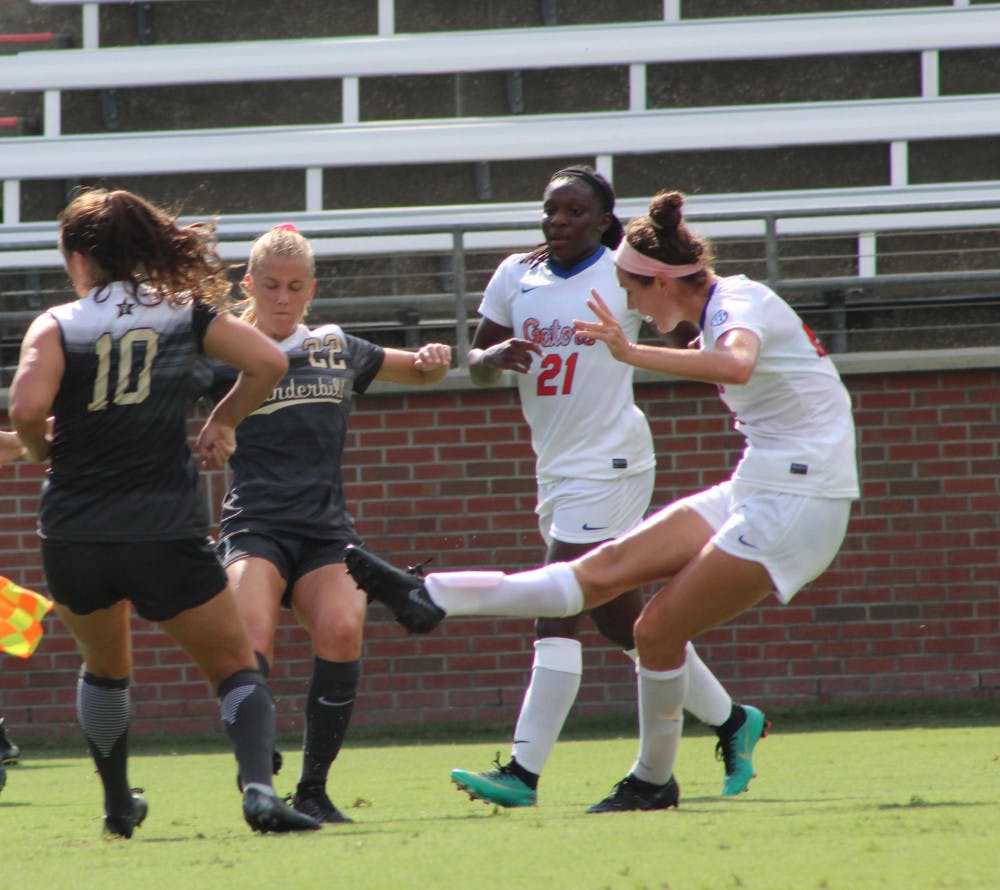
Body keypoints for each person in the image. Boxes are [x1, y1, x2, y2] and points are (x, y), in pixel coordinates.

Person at [344, 189, 859, 812]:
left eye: (632, 290)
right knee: (601, 582)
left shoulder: (736, 300)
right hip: (757, 482)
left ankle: (638, 779)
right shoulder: (707, 303)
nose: (630, 304)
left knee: (651, 628)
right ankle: (429, 593)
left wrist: (630, 352)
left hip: (801, 497)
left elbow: (737, 364)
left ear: (661, 282)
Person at [449, 167, 767, 808]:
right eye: (551, 210)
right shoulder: (516, 274)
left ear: (602, 221)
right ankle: (733, 720)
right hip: (556, 467)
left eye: (574, 212)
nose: (558, 221)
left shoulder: (622, 274)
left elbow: (685, 334)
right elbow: (475, 362)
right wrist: (492, 357)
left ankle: (522, 772)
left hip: (611, 462)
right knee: (627, 623)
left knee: (557, 606)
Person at [7, 188, 322, 836]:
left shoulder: (58, 323)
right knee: (234, 665)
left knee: (105, 669)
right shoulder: (183, 312)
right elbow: (268, 360)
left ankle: (118, 806)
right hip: (164, 530)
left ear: (79, 257)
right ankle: (259, 791)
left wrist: (38, 449)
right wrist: (223, 420)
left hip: (75, 535)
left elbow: (27, 409)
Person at [199, 224, 452, 824]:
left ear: (311, 289)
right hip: (255, 525)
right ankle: (257, 770)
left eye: (294, 287)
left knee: (342, 628)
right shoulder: (224, 351)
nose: (282, 298)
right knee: (249, 637)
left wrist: (435, 359)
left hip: (324, 532)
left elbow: (420, 372)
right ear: (248, 285)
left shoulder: (334, 346)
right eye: (270, 286)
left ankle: (313, 789)